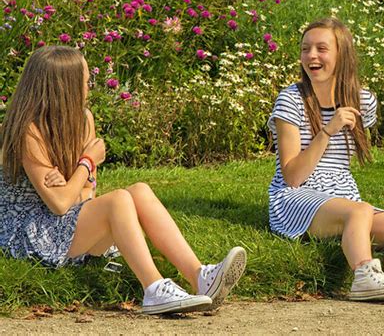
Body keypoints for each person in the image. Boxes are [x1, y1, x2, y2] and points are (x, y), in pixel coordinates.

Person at [0, 46, 247, 314]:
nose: (89, 87)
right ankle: (153, 288)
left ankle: (200, 276)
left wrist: (74, 184)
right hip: (29, 235)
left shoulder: (83, 119)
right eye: (85, 81)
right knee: (118, 200)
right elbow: (60, 205)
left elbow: (86, 193)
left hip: (61, 225)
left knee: (138, 191)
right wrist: (87, 161)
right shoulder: (29, 132)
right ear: (65, 87)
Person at [267, 18, 384, 303]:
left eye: (321, 48)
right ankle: (364, 278)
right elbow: (292, 176)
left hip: (342, 196)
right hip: (294, 198)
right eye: (306, 49)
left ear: (342, 54)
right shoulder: (291, 100)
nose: (311, 56)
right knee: (359, 211)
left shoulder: (363, 101)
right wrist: (327, 130)